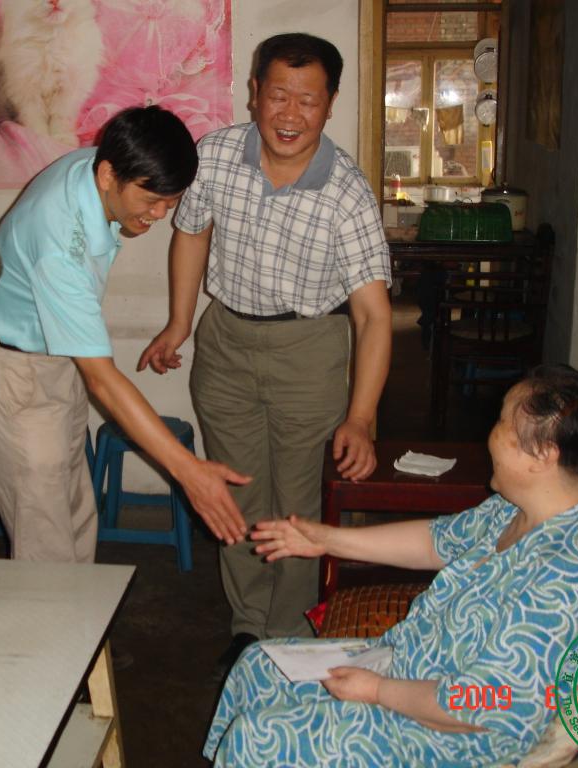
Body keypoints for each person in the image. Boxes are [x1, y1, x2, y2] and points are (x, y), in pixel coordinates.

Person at [203, 364, 578, 766]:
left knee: (253, 739)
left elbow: (489, 707)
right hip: (406, 666)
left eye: (501, 423)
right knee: (258, 666)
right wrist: (324, 539)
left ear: (542, 455)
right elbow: (435, 541)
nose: (491, 435)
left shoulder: (572, 573)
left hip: (447, 736)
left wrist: (378, 690)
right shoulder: (517, 508)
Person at [137, 33, 392, 667]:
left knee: (298, 502)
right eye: (278, 95)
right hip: (226, 342)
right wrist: (179, 323)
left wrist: (361, 417)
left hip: (310, 351)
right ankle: (249, 627)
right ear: (254, 93)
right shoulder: (217, 155)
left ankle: (289, 634)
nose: (290, 114)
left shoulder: (347, 192)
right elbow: (192, 233)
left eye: (308, 100)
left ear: (330, 103)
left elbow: (372, 315)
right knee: (237, 493)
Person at [0, 105, 249, 564]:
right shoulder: (60, 244)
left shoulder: (99, 167)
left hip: (56, 363)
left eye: (171, 202)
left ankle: (82, 612)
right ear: (107, 176)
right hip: (17, 380)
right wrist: (187, 471)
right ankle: (53, 614)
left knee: (78, 517)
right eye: (151, 199)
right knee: (45, 544)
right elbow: (102, 378)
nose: (159, 214)